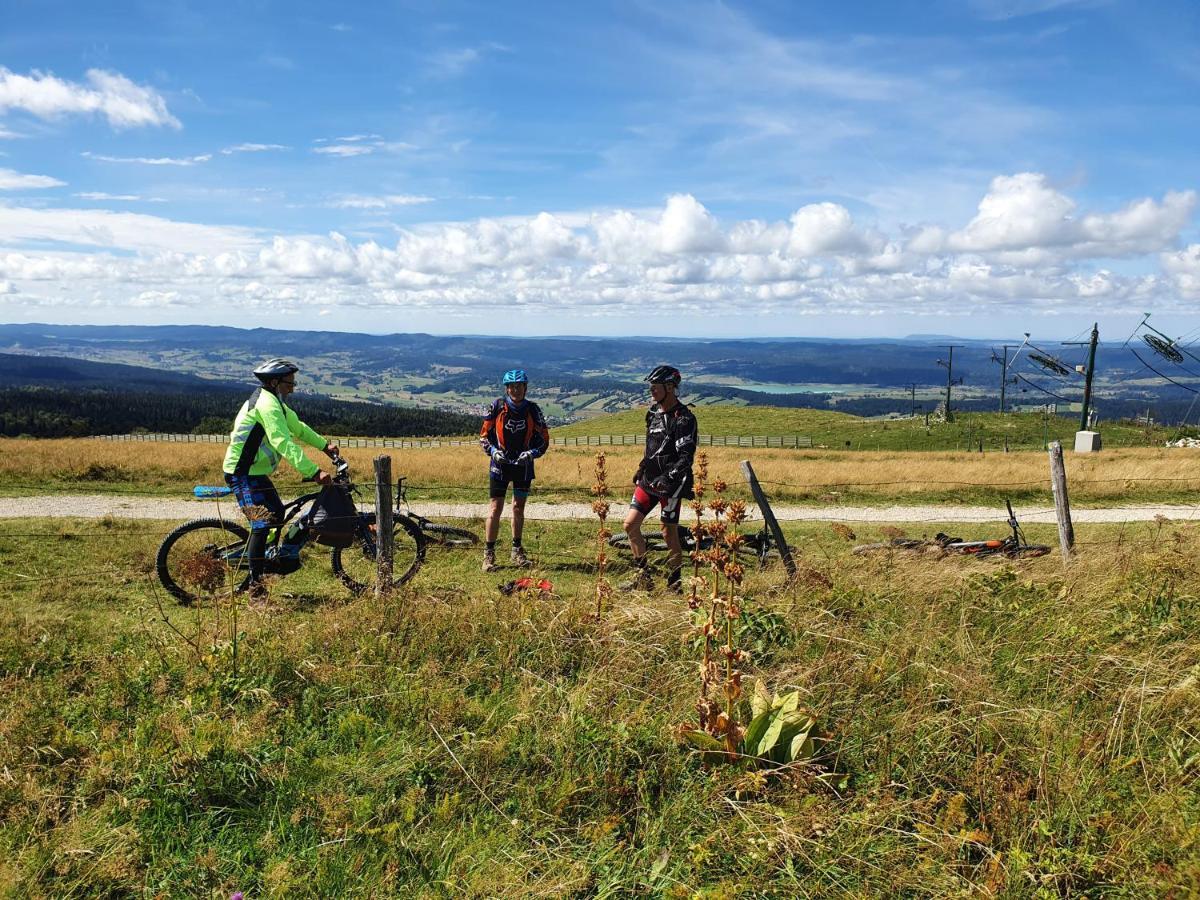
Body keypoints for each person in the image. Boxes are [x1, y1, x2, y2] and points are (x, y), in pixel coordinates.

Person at [223, 358, 339, 598]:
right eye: (290, 382)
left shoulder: (275, 402)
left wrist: (325, 446)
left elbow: (298, 428)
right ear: (275, 382)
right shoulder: (267, 405)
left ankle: (267, 554)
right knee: (261, 523)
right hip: (241, 473)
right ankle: (257, 590)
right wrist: (314, 471)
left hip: (255, 473)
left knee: (276, 511)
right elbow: (282, 441)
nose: (293, 387)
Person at [623, 364, 698, 592]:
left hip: (672, 485)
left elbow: (686, 457)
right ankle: (643, 577)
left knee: (668, 532)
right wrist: (642, 467)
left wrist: (669, 477)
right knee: (629, 525)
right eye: (650, 387)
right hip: (649, 480)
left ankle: (675, 583)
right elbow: (652, 448)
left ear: (670, 387)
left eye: (655, 387)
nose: (651, 391)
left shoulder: (684, 418)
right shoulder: (652, 414)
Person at [479, 369, 550, 572]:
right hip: (500, 465)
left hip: (523, 466)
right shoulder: (497, 406)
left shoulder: (533, 410)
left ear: (525, 388)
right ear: (507, 388)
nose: (515, 390)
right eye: (511, 386)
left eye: (519, 386)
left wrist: (532, 453)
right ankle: (489, 554)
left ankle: (516, 550)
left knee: (518, 508)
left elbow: (544, 439)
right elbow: (484, 435)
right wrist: (492, 452)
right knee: (495, 508)